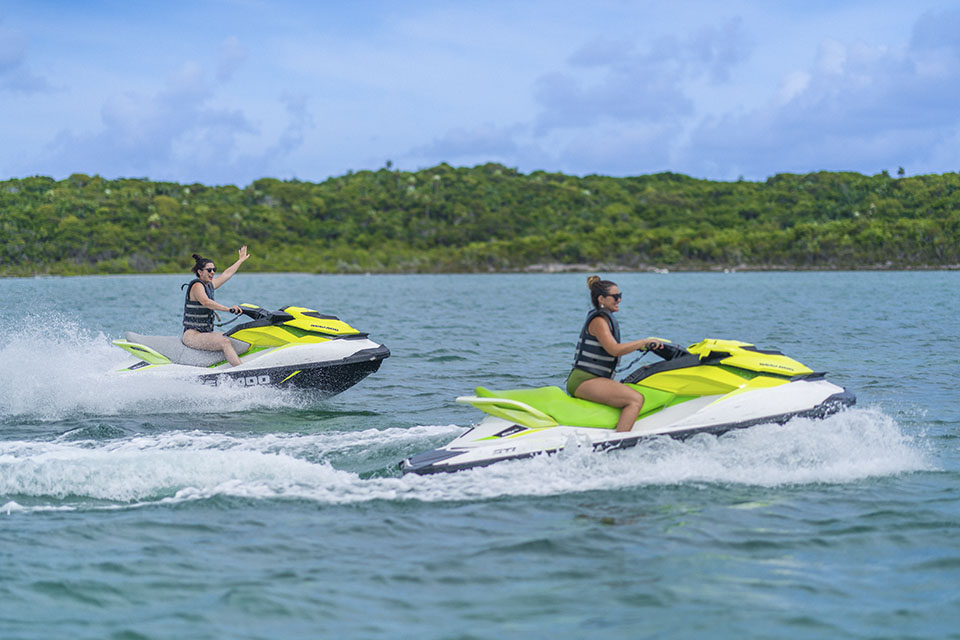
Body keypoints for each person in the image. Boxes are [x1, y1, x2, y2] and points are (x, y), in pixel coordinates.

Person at [566, 275, 662, 432]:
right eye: (615, 297)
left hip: (596, 378)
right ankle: (620, 443)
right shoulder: (598, 321)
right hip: (584, 380)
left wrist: (643, 346)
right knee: (635, 399)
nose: (619, 300)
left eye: (620, 296)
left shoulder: (606, 319)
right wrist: (642, 342)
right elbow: (614, 349)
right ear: (601, 299)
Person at [181, 246, 250, 366]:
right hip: (192, 335)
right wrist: (228, 309)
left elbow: (227, 274)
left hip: (204, 333)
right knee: (225, 342)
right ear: (200, 272)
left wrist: (240, 260)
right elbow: (205, 302)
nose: (212, 272)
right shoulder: (197, 286)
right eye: (209, 270)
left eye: (214, 269)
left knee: (235, 337)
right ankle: (241, 371)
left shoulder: (209, 285)